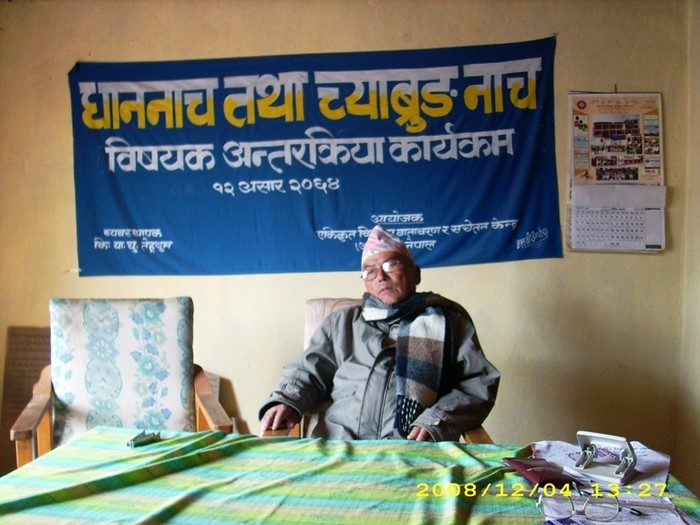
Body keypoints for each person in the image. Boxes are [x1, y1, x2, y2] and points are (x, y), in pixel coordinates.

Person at [259, 225, 500, 441]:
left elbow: (477, 384)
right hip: (339, 445)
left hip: (412, 449)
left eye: (390, 265)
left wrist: (437, 420)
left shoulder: (449, 322)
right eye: (370, 271)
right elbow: (307, 372)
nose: (381, 277)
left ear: (416, 274)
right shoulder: (342, 322)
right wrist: (286, 400)